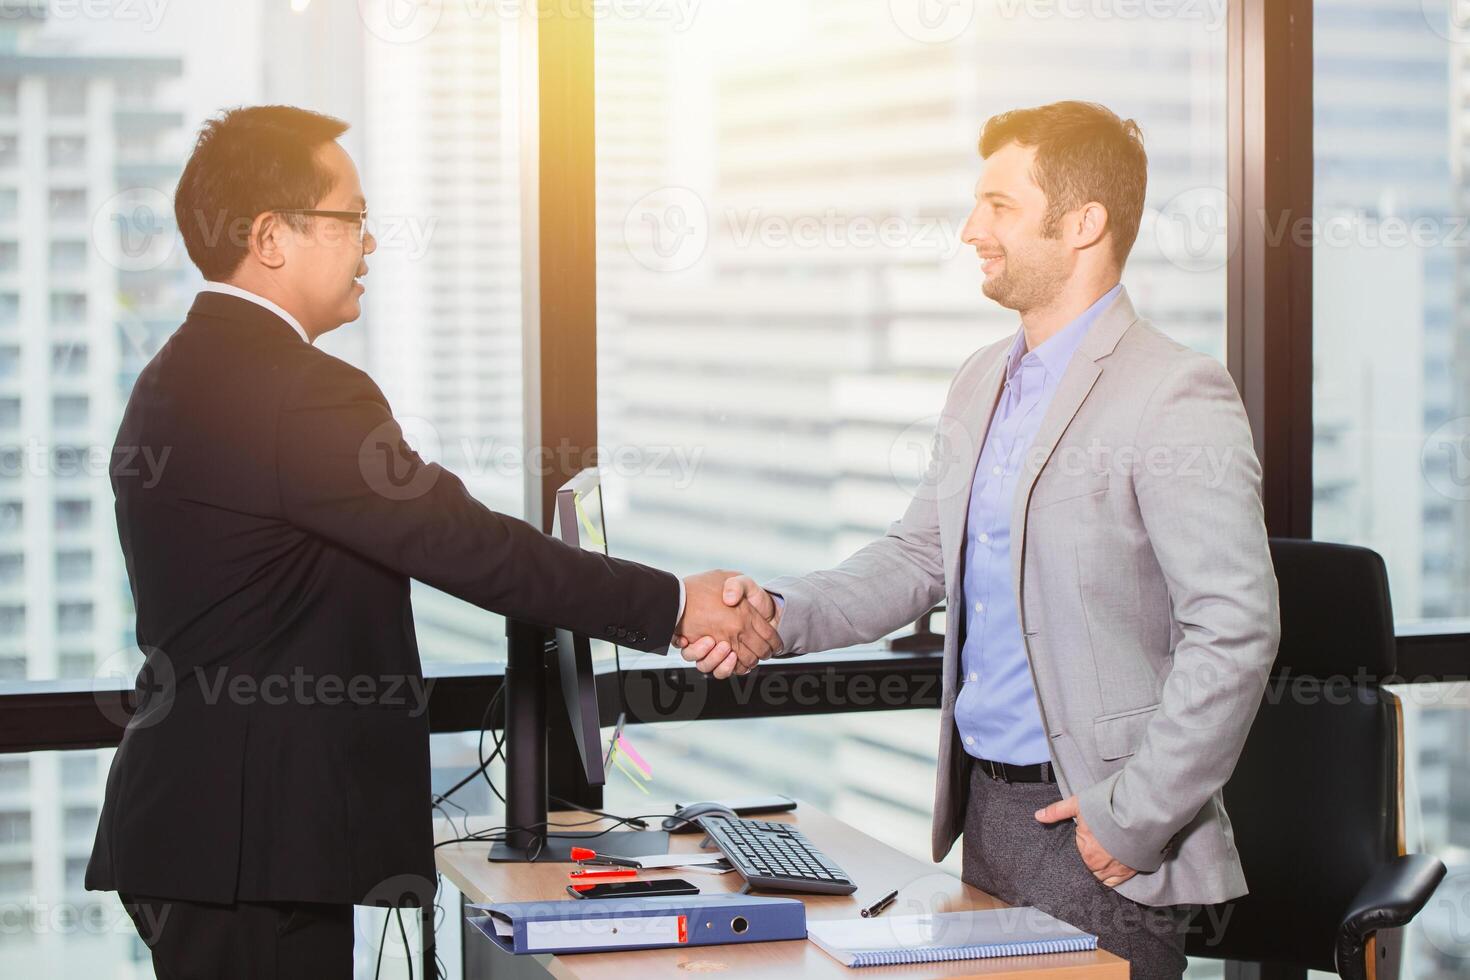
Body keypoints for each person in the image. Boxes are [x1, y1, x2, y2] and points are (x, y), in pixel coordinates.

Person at [84, 105, 777, 979]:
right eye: (351, 220)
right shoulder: (296, 389)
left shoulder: (184, 367)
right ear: (269, 236)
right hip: (247, 845)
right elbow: (466, 544)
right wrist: (675, 604)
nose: (369, 245)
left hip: (212, 831)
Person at [679, 101, 1280, 980]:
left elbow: (1236, 629)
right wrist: (780, 610)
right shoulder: (982, 380)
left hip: (1096, 822)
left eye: (999, 206)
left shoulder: (1174, 394)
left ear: (1083, 224)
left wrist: (1132, 817)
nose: (971, 230)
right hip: (986, 813)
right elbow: (920, 555)